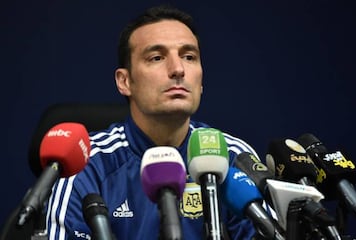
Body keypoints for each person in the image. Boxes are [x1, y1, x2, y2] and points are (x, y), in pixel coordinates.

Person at [46, 4, 263, 239]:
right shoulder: (87, 164)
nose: (178, 69)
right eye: (157, 57)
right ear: (124, 81)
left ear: (201, 81)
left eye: (189, 57)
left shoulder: (231, 157)